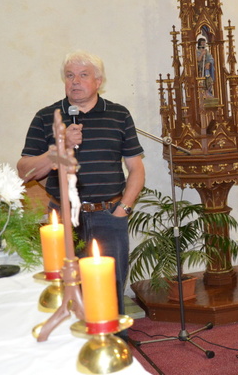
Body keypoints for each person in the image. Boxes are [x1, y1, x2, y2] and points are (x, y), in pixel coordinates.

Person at [17, 51, 145, 316]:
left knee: (110, 290)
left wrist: (124, 209)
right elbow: (24, 171)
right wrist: (59, 147)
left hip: (109, 216)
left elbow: (136, 168)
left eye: (83, 75)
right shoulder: (46, 117)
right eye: (69, 75)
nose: (74, 81)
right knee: (66, 290)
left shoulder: (119, 114)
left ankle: (113, 340)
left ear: (98, 81)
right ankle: (69, 341)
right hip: (63, 218)